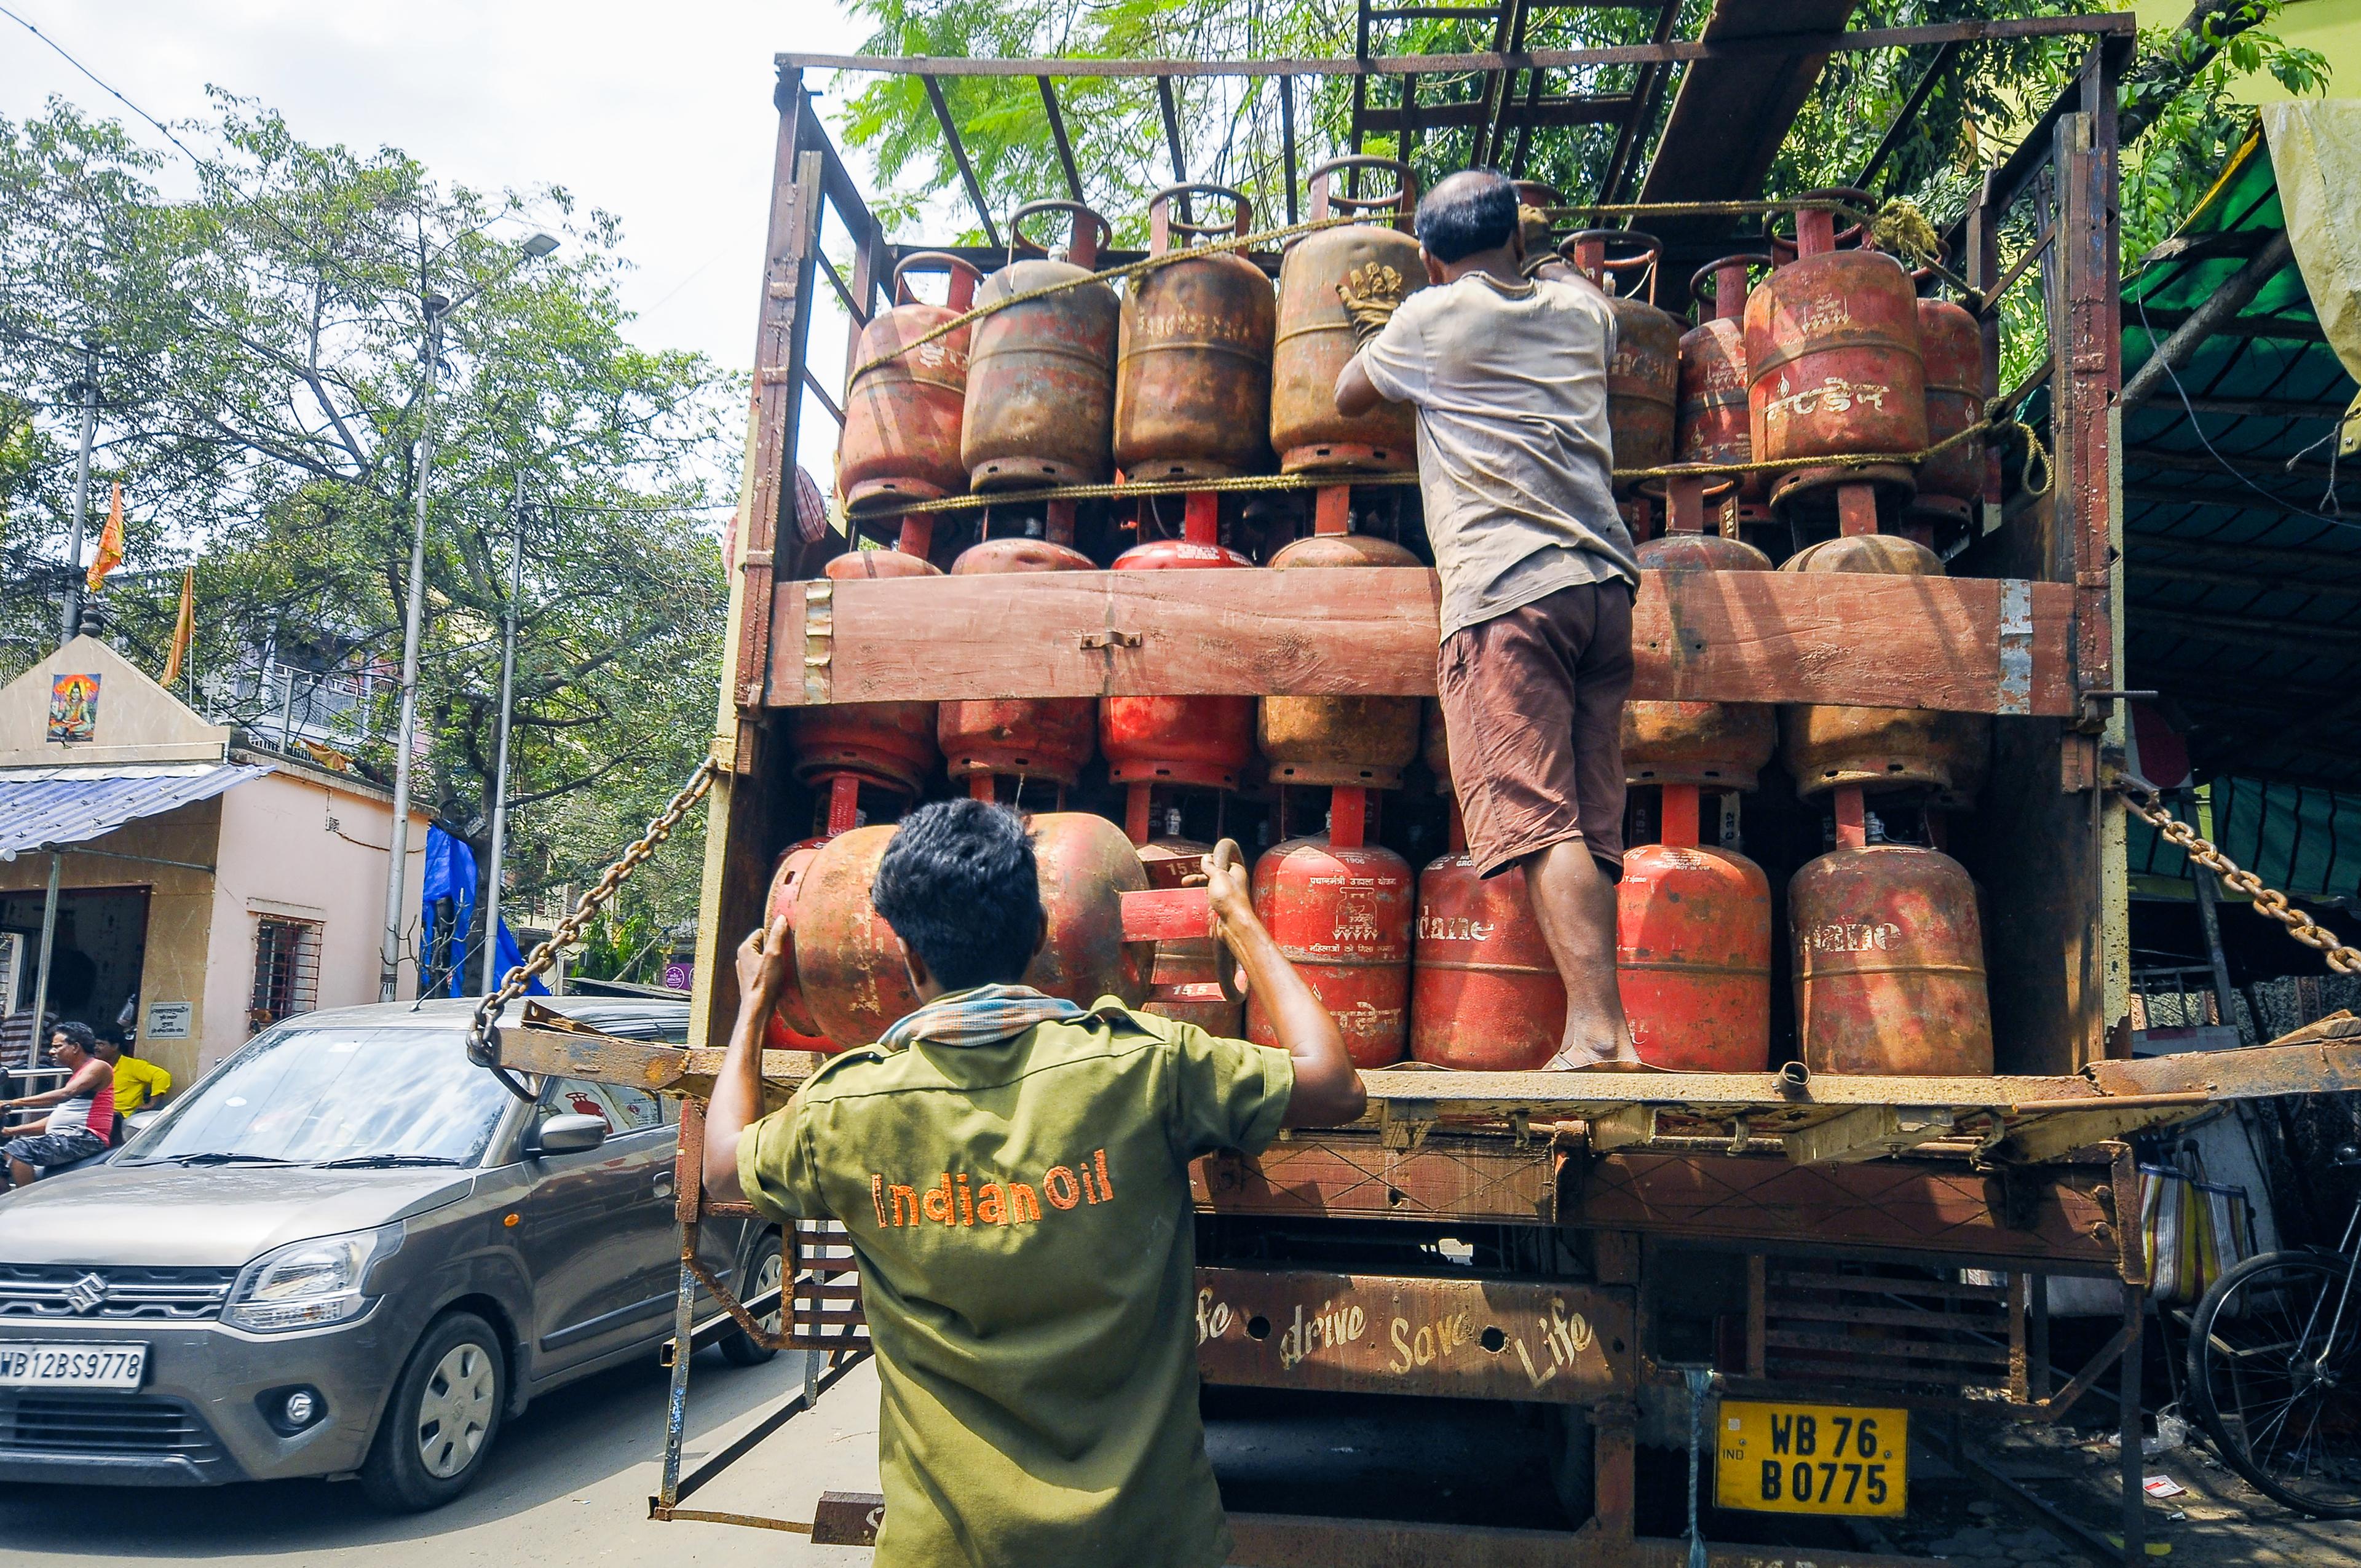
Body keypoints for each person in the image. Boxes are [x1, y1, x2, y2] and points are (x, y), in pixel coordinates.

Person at [704, 799, 1366, 1568]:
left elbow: (724, 1164)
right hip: (1146, 1548)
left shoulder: (847, 1110)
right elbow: (1334, 1084)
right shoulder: (1142, 1065)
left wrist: (755, 1005)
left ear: (910, 964)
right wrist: (1240, 924)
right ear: (1041, 938)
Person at [1332, 167, 1645, 1070]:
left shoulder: (1432, 319)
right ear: (1518, 236)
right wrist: (1536, 254)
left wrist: (1383, 322)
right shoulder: (1582, 311)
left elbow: (1352, 394)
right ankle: (1603, 1026)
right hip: (1604, 591)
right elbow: (1584, 296)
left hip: (1509, 596)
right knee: (1589, 820)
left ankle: (1598, 1031)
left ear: (1430, 257)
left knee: (1541, 821)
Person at [2, 1021, 116, 1187]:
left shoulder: (99, 1067)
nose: (51, 1052)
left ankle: (28, 1204)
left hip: (85, 1138)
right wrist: (10, 1131)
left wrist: (14, 1103)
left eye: (57, 1047)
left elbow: (65, 1094)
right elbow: (56, 1119)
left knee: (19, 1149)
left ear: (75, 1047)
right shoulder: (78, 1075)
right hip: (65, 1137)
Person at [95, 1030, 172, 1131]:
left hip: (121, 1118)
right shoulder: (95, 1066)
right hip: (98, 1115)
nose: (96, 1048)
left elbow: (162, 1076)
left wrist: (152, 1104)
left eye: (101, 1044)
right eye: (95, 1044)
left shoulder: (133, 1066)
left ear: (115, 1047)